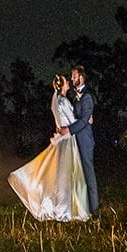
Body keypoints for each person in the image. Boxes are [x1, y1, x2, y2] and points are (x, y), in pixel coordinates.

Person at [7, 74, 90, 221]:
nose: (69, 84)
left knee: (58, 175)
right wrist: (86, 119)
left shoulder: (56, 101)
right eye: (66, 82)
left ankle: (59, 207)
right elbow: (71, 121)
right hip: (67, 141)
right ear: (62, 85)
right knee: (67, 176)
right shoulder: (63, 101)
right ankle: (65, 211)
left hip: (60, 140)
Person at [57, 65, 98, 215]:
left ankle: (95, 211)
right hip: (74, 142)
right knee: (78, 176)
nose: (71, 78)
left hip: (85, 141)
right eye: (71, 76)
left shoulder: (87, 97)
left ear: (81, 78)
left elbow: (82, 121)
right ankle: (81, 208)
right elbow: (76, 117)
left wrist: (69, 129)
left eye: (74, 76)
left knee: (89, 176)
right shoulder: (75, 97)